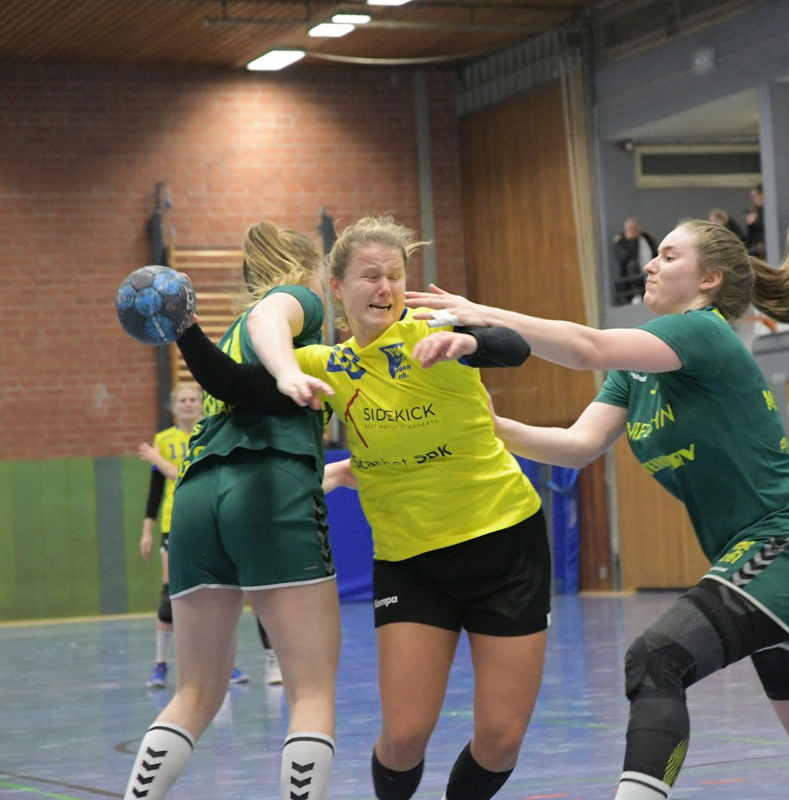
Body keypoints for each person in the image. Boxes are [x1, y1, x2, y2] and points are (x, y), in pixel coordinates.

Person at [407, 197, 789, 800]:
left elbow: (586, 347)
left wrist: (479, 313)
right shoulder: (637, 372)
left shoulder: (703, 332)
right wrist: (491, 427)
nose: (651, 264)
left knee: (656, 659)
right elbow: (577, 446)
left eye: (669, 256)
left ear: (709, 280)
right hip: (769, 558)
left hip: (788, 545)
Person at [174, 215, 547, 800]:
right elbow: (236, 384)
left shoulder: (431, 332)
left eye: (395, 276)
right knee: (402, 737)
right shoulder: (329, 364)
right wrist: (185, 330)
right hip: (410, 562)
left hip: (505, 545)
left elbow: (513, 347)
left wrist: (470, 341)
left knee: (500, 739)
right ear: (337, 287)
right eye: (370, 276)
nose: (385, 288)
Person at [121, 220, 341, 800]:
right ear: (306, 268)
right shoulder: (296, 302)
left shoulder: (234, 336)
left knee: (194, 692)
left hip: (199, 497)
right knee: (311, 691)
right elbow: (271, 329)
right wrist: (289, 373)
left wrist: (187, 329)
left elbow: (241, 392)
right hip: (268, 488)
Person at [137, 383, 281, 688]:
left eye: (193, 399)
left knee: (233, 591)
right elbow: (155, 490)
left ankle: (243, 663)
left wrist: (157, 460)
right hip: (176, 523)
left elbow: (187, 472)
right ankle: (161, 665)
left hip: (217, 518)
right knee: (172, 598)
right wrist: (147, 529)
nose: (188, 404)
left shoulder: (213, 431)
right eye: (182, 400)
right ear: (173, 407)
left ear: (202, 404)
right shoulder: (163, 440)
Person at [613, 217, 657, 305]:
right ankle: (637, 294)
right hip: (633, 276)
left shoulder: (647, 237)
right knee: (632, 265)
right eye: (631, 229)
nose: (634, 231)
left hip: (650, 268)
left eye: (635, 228)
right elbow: (625, 258)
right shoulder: (621, 241)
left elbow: (654, 251)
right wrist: (633, 240)